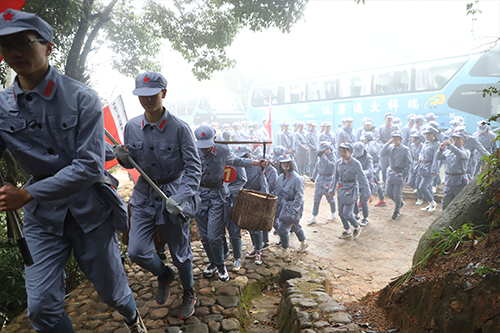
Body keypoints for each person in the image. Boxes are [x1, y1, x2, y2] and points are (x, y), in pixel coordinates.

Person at [0, 10, 146, 332]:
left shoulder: (81, 99)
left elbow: (90, 166)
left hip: (89, 211)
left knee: (113, 293)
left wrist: (26, 193)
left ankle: (132, 316)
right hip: (42, 218)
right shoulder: (1, 107)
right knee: (40, 309)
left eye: (24, 43)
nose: (14, 53)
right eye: (5, 45)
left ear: (48, 46)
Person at [114, 71, 202, 320]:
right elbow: (132, 165)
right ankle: (164, 274)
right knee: (137, 252)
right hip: (144, 196)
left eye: (152, 94)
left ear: (163, 93)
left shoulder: (180, 129)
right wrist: (123, 158)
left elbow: (194, 169)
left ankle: (189, 292)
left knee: (181, 254)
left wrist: (182, 197)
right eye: (142, 95)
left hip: (172, 194)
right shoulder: (131, 126)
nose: (147, 100)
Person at [193, 125, 267, 282]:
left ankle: (221, 265)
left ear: (213, 139)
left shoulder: (222, 150)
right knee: (205, 237)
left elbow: (235, 160)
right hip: (198, 196)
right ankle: (213, 263)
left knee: (214, 236)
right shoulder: (192, 150)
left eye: (207, 145)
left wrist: (255, 163)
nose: (204, 149)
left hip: (216, 196)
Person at [335, 142, 373, 239]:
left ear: (350, 151)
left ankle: (357, 226)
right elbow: (334, 177)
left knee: (347, 213)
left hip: (351, 190)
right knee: (340, 213)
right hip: (341, 189)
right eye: (340, 151)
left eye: (344, 152)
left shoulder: (356, 164)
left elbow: (363, 179)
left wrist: (368, 193)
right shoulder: (338, 163)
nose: (342, 154)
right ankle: (347, 230)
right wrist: (331, 189)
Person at [274, 154, 308, 258]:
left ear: (291, 163)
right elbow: (278, 193)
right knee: (294, 226)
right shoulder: (280, 178)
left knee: (282, 228)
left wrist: (293, 210)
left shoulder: (297, 178)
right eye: (283, 163)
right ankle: (304, 243)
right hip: (284, 205)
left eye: (287, 162)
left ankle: (285, 249)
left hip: (294, 205)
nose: (285, 165)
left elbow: (299, 196)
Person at [380, 131, 412, 220]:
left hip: (400, 173)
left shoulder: (405, 149)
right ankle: (400, 203)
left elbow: (409, 163)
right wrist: (387, 143)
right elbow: (382, 153)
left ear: (401, 139)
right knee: (388, 192)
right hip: (391, 172)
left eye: (397, 137)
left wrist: (405, 174)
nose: (395, 139)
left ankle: (396, 211)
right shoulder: (390, 147)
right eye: (394, 137)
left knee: (397, 194)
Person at [436, 131, 470, 209]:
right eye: (454, 139)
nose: (455, 141)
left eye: (458, 139)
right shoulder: (448, 151)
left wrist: (450, 145)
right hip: (449, 181)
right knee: (445, 202)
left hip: (460, 181)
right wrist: (440, 150)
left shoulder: (466, 152)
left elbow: (460, 154)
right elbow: (438, 157)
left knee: (459, 203)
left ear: (463, 142)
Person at [306, 141, 337, 225]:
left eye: (324, 150)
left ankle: (333, 212)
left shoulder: (332, 156)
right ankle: (314, 216)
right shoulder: (321, 155)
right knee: (316, 198)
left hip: (328, 179)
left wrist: (323, 157)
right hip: (319, 178)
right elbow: (317, 165)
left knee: (330, 197)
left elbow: (332, 167)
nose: (322, 151)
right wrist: (313, 176)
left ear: (327, 149)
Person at [352, 142, 377, 226]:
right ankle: (356, 213)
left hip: (366, 181)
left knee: (363, 201)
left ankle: (365, 218)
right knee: (354, 198)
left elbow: (370, 170)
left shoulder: (368, 158)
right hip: (356, 181)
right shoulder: (353, 156)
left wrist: (361, 173)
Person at [417, 126, 440, 212]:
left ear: (433, 134)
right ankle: (430, 204)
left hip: (430, 167)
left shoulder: (436, 144)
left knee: (422, 187)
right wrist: (421, 158)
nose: (426, 136)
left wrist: (434, 170)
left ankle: (432, 202)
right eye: (425, 134)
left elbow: (436, 159)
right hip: (423, 166)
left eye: (428, 134)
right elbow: (421, 153)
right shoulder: (426, 143)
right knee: (429, 187)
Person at [377, 112, 400, 185]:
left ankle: (393, 181)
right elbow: (378, 139)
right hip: (384, 148)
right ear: (385, 119)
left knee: (393, 165)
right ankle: (384, 181)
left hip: (394, 148)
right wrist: (384, 145)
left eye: (391, 118)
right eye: (388, 118)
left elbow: (400, 137)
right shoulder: (381, 128)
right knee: (384, 166)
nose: (389, 120)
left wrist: (394, 144)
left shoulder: (395, 127)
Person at [364, 132, 387, 207]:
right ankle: (382, 199)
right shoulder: (375, 143)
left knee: (372, 183)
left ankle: (363, 201)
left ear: (367, 139)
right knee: (376, 183)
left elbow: (371, 153)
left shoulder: (371, 145)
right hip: (375, 164)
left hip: (373, 165)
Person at [407, 131, 425, 205]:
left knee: (418, 182)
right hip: (413, 162)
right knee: (410, 182)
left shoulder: (422, 145)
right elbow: (410, 155)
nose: (413, 139)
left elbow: (422, 155)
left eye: (414, 138)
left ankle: (420, 198)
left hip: (420, 163)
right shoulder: (411, 145)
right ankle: (418, 190)